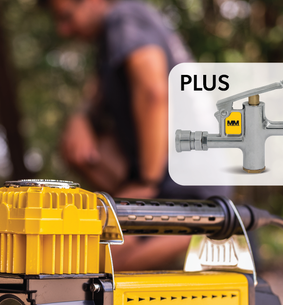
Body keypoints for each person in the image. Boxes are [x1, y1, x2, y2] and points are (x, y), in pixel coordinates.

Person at [47, 0, 229, 269]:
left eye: (67, 17)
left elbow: (153, 92)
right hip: (165, 180)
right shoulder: (115, 38)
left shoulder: (124, 19)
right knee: (76, 149)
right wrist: (80, 118)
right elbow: (95, 97)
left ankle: (216, 231)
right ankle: (159, 241)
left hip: (190, 187)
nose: (64, 30)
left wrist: (146, 183)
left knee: (88, 266)